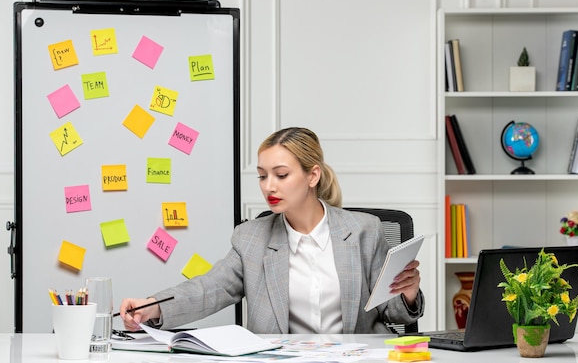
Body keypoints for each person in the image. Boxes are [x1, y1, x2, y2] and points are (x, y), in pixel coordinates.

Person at [119, 127, 424, 334]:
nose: (269, 186)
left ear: (312, 175)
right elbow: (209, 289)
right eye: (263, 176)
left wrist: (408, 295)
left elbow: (393, 314)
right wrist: (152, 307)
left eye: (281, 175)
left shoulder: (363, 231)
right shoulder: (250, 237)